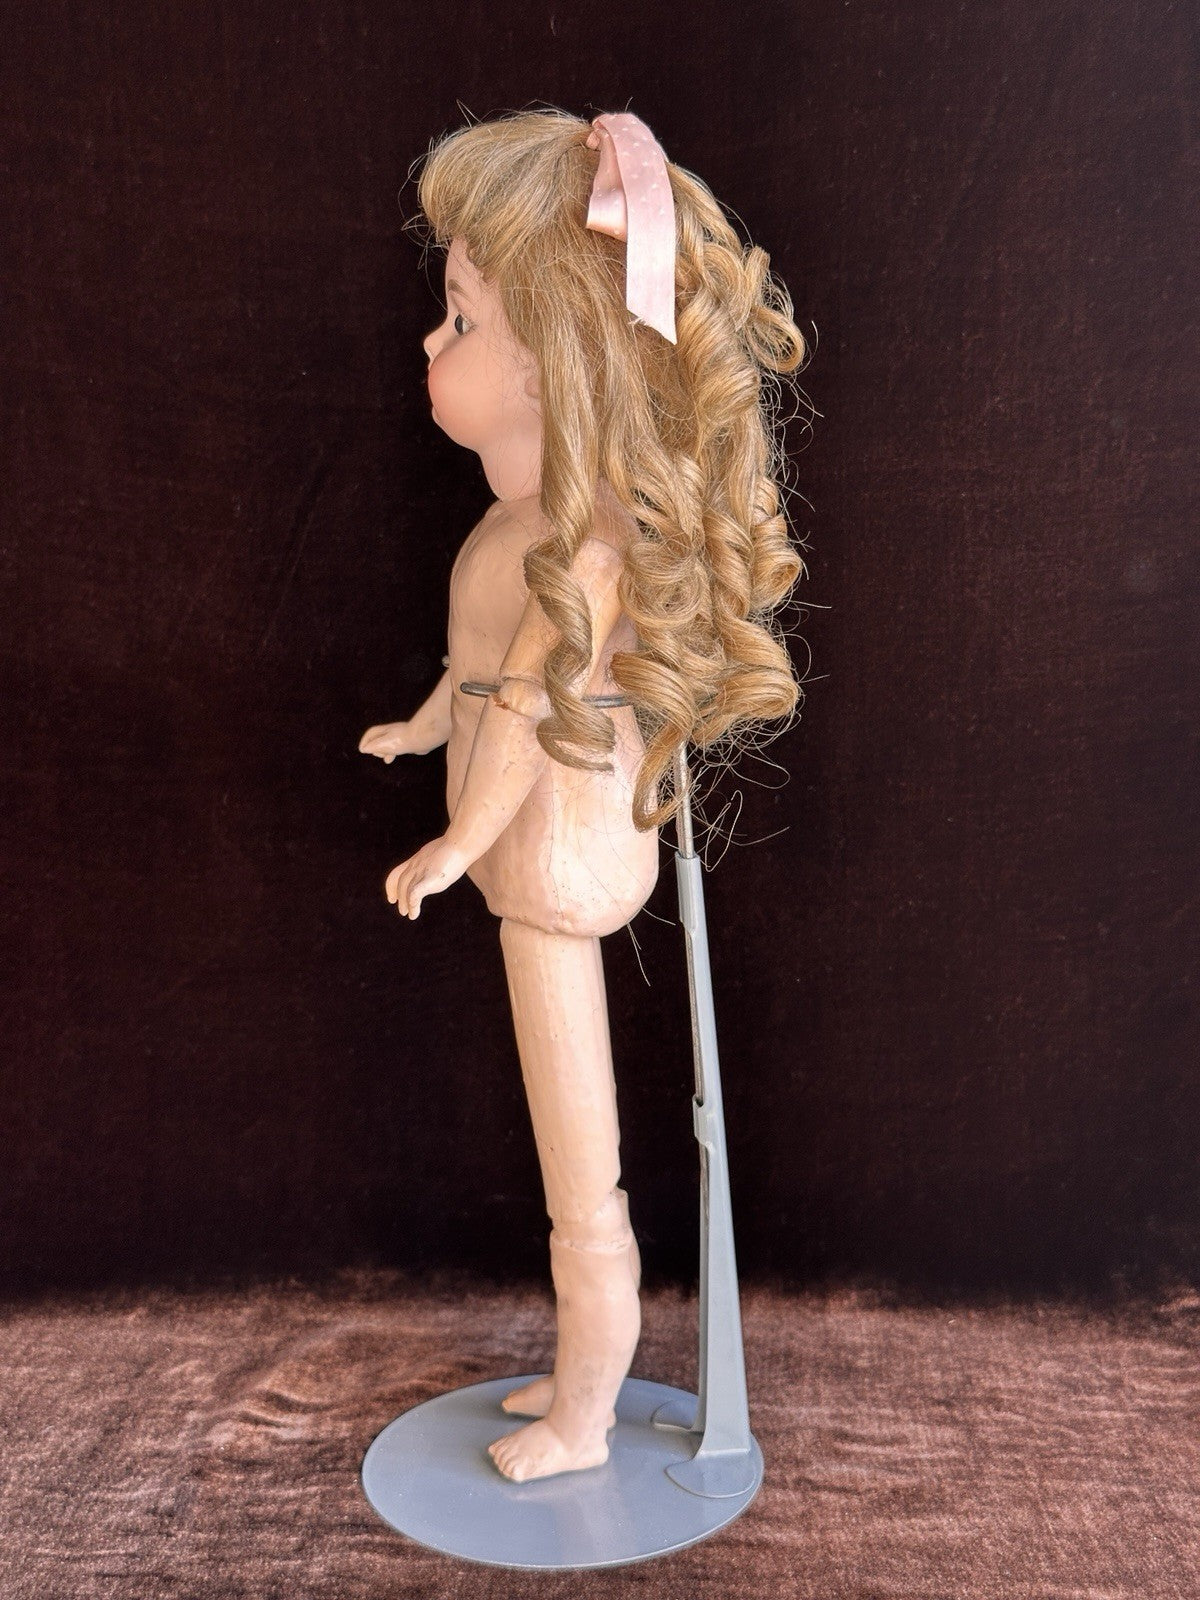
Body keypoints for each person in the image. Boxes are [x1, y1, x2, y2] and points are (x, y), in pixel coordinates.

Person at [359, 108, 808, 1483]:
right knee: (570, 1142)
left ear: (552, 365)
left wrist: (457, 838)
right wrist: (420, 728)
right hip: (521, 855)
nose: (430, 345)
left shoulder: (589, 553)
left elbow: (520, 717)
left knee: (581, 1162)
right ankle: (573, 1377)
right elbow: (476, 681)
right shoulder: (521, 527)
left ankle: (590, 1406)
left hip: (553, 865)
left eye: (460, 320)